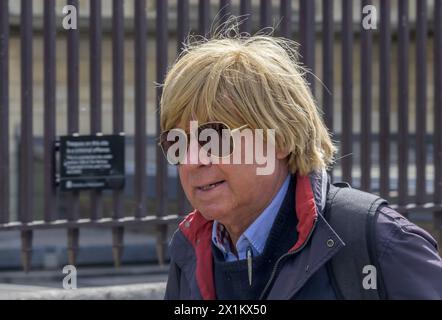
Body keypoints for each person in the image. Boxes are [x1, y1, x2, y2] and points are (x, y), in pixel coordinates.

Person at [159, 29, 442, 300]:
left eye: (214, 139)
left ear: (280, 139)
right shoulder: (190, 250)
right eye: (177, 143)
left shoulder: (380, 241)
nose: (191, 160)